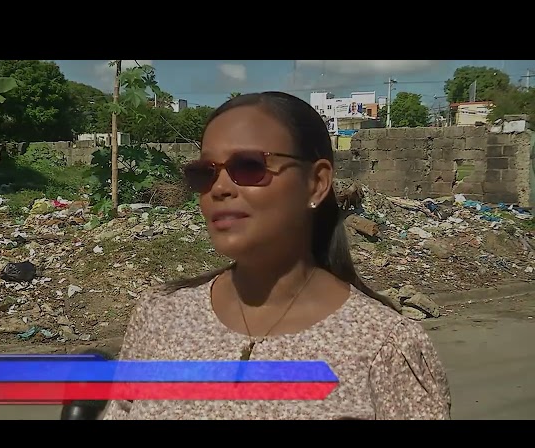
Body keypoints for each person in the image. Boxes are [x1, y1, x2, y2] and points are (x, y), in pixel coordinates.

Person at [101, 91, 451, 420]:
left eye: (249, 166)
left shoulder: (385, 346)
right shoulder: (161, 317)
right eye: (205, 173)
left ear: (316, 183)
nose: (220, 188)